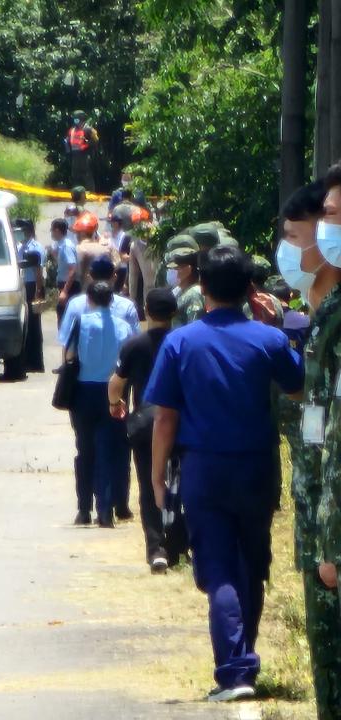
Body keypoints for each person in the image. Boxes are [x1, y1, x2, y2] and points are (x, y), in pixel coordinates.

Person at [146, 246, 304, 702]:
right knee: (251, 565)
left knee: (217, 571)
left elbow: (165, 418)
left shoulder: (181, 341)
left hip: (205, 468)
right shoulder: (268, 339)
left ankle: (235, 671)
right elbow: (297, 389)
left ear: (202, 287)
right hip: (257, 466)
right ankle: (244, 659)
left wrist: (157, 477)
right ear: (251, 289)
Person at [276, 173, 341, 719]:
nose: (290, 251)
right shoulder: (320, 313)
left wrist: (333, 545)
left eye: (333, 218)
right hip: (319, 512)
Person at [108, 289, 182, 572]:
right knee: (180, 482)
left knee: (150, 483)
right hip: (181, 421)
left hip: (146, 423)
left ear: (146, 311)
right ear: (174, 312)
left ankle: (156, 549)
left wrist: (115, 404)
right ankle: (178, 544)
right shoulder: (183, 341)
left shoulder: (133, 345)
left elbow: (116, 384)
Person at [67, 280, 133, 527]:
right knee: (108, 450)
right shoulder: (125, 327)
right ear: (111, 301)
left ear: (90, 300)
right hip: (113, 392)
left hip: (84, 392)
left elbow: (69, 355)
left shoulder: (81, 322)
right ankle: (105, 510)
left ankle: (83, 509)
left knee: (85, 450)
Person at [15, 218, 45, 373]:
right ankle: (27, 358)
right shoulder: (22, 246)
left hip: (33, 286)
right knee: (26, 324)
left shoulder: (35, 247)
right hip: (24, 286)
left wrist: (38, 292)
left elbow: (38, 271)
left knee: (34, 326)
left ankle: (36, 362)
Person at [163, 235, 206, 327]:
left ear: (188, 269)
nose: (172, 271)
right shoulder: (179, 291)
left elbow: (194, 327)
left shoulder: (194, 294)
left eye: (176, 268)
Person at [55, 217, 80, 331]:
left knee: (65, 318)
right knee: (62, 316)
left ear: (57, 231)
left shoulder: (66, 246)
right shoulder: (62, 245)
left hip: (68, 286)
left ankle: (67, 346)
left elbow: (72, 269)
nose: (51, 233)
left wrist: (65, 291)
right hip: (64, 284)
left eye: (52, 230)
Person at [128, 221, 157, 321]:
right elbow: (133, 275)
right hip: (149, 292)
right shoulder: (135, 246)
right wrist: (132, 300)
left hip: (165, 289)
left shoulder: (161, 242)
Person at [64, 110, 99, 191]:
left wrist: (86, 144)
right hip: (75, 155)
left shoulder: (88, 129)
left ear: (82, 119)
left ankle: (90, 192)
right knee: (75, 175)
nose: (75, 121)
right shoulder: (72, 130)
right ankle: (77, 193)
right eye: (75, 119)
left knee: (86, 174)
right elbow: (68, 141)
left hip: (85, 155)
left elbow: (96, 140)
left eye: (77, 119)